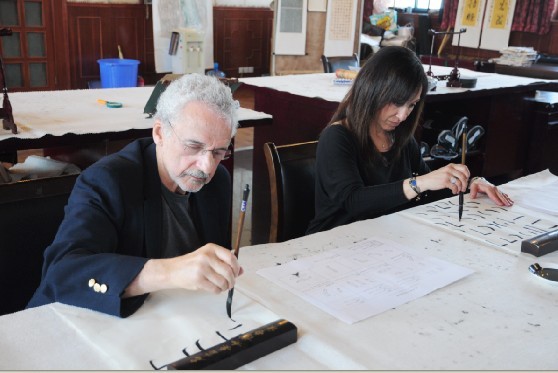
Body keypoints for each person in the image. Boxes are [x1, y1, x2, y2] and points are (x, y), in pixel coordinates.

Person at [27, 74, 243, 317]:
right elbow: (62, 274)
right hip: (78, 322)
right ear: (160, 132)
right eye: (193, 147)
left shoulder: (218, 182)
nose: (206, 167)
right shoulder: (109, 180)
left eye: (218, 152)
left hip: (168, 318)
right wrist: (170, 272)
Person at [307, 46, 513, 235]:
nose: (403, 115)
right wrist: (420, 183)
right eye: (396, 103)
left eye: (412, 105)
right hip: (334, 244)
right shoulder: (337, 137)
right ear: (373, 90)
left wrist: (470, 183)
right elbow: (353, 201)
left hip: (383, 239)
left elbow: (428, 190)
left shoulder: (399, 137)